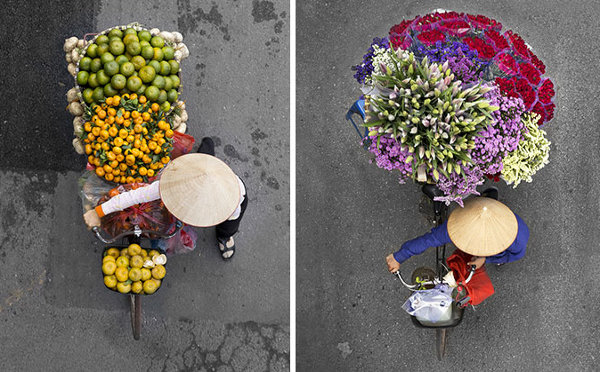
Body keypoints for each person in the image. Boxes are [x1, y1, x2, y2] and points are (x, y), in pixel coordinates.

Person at [84, 137, 248, 260]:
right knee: (203, 163)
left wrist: (226, 228)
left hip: (228, 188)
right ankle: (207, 146)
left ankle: (224, 237)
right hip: (200, 169)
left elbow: (232, 216)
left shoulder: (232, 199)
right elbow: (133, 196)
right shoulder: (171, 183)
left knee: (229, 225)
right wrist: (99, 211)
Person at [386, 191, 529, 273]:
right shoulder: (456, 227)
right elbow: (428, 240)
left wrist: (487, 259)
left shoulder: (518, 239)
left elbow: (513, 256)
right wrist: (399, 256)